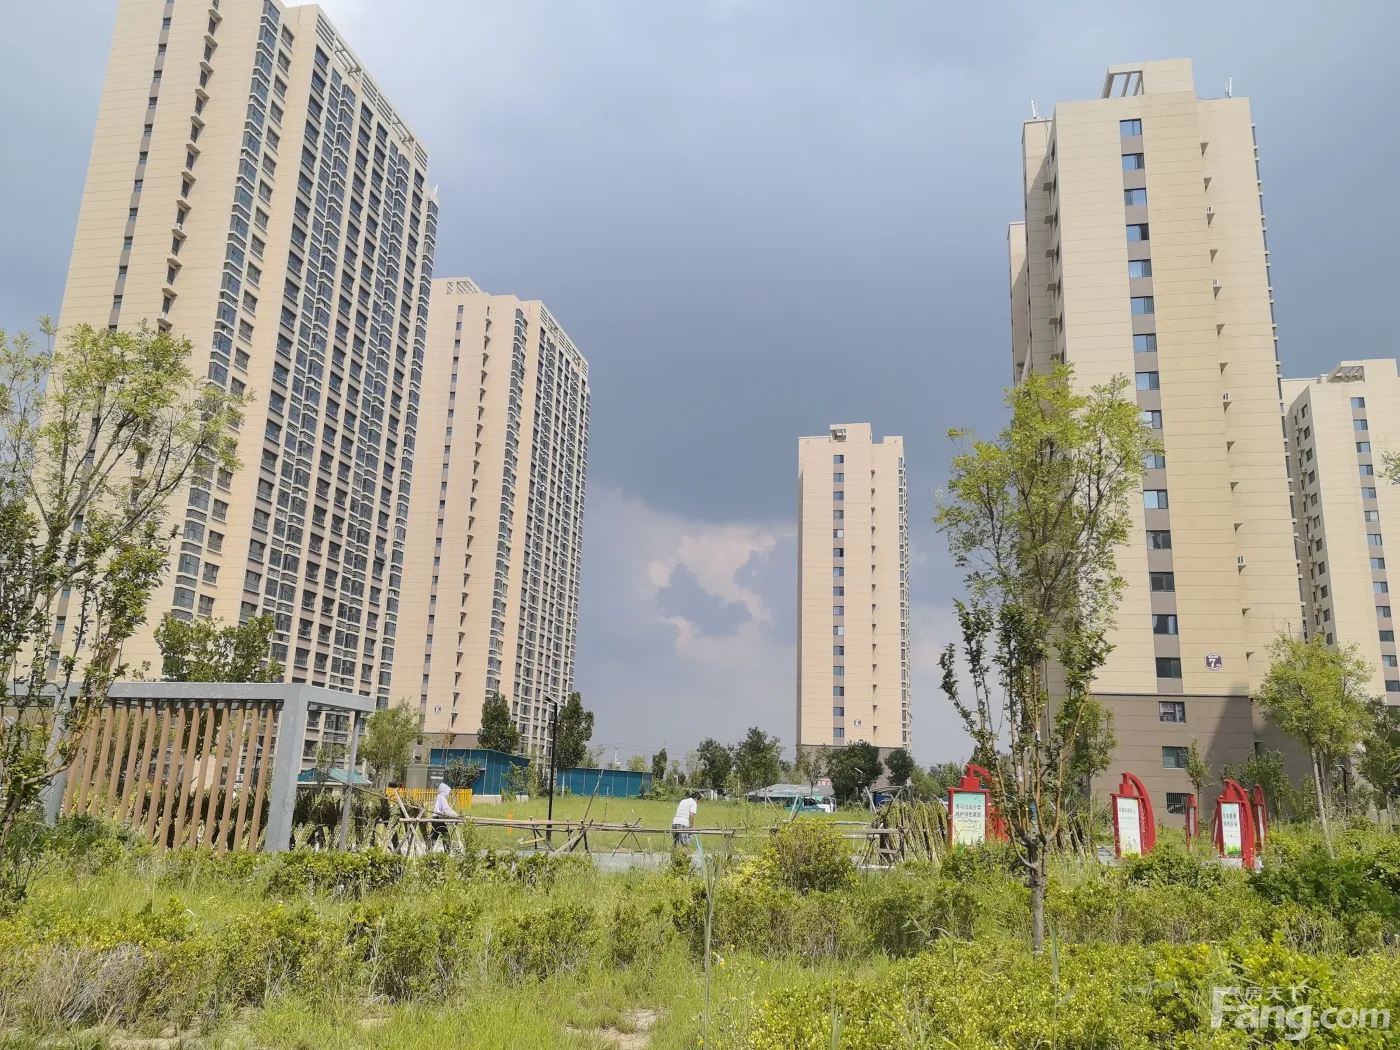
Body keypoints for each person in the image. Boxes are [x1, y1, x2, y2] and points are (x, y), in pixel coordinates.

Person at [431, 781, 458, 850]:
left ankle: (428, 850)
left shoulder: (437, 797)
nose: (448, 794)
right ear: (444, 791)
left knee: (434, 836)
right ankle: (447, 851)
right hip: (438, 820)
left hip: (434, 819)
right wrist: (454, 814)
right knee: (446, 836)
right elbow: (446, 809)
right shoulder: (442, 798)